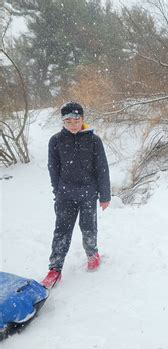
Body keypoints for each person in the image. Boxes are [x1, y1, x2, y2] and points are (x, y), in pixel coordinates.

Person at [41, 102, 111, 289]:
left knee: (89, 228)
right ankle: (55, 269)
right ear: (63, 121)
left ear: (82, 119)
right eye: (68, 121)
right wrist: (58, 190)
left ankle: (92, 254)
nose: (73, 124)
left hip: (88, 193)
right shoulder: (55, 141)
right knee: (61, 231)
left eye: (76, 120)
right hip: (65, 195)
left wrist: (105, 196)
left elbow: (102, 168)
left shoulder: (94, 140)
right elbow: (53, 168)